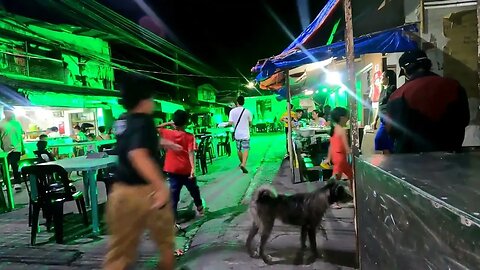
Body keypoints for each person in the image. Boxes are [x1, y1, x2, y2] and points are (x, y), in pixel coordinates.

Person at [103, 76, 175, 270]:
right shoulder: (145, 121)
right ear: (144, 100)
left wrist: (162, 143)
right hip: (146, 193)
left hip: (120, 193)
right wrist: (161, 187)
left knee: (119, 253)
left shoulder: (123, 121)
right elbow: (138, 154)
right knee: (166, 245)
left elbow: (131, 143)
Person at [387, 50, 470, 153]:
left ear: (404, 70)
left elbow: (392, 129)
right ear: (428, 65)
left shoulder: (399, 94)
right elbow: (464, 119)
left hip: (411, 162)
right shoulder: (454, 86)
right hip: (450, 157)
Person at [158, 110, 205, 234]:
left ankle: (173, 224)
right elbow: (191, 153)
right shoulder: (190, 136)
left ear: (174, 121)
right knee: (194, 190)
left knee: (174, 198)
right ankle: (200, 207)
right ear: (187, 122)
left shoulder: (167, 133)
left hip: (172, 170)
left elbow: (155, 128)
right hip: (186, 170)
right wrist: (193, 169)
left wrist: (168, 123)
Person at [323, 107, 353, 208]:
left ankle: (351, 198)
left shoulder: (334, 129)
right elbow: (346, 147)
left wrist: (328, 158)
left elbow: (331, 146)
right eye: (347, 117)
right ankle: (332, 201)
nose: (348, 119)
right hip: (341, 158)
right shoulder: (342, 130)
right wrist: (353, 154)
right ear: (342, 118)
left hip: (337, 157)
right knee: (336, 180)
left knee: (350, 177)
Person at [0, 108, 25, 192]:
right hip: (5, 149)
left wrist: (23, 147)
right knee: (4, 167)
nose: (10, 114)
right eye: (8, 112)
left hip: (16, 148)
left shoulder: (17, 123)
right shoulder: (1, 124)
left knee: (15, 164)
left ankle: (17, 183)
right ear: (4, 113)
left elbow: (20, 137)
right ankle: (6, 183)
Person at [373, 70, 397, 154]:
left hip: (389, 120)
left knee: (381, 140)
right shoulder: (382, 90)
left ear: (388, 78)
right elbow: (379, 107)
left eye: (382, 76)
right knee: (382, 142)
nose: (380, 78)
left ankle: (390, 162)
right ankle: (388, 162)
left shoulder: (392, 88)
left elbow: (393, 104)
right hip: (382, 120)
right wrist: (375, 120)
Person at [227, 96, 252, 174]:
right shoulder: (248, 111)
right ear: (243, 102)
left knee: (239, 149)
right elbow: (250, 123)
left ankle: (242, 163)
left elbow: (230, 123)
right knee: (246, 149)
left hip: (237, 134)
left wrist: (223, 125)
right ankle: (243, 164)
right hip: (245, 134)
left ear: (237, 102)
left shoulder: (232, 111)